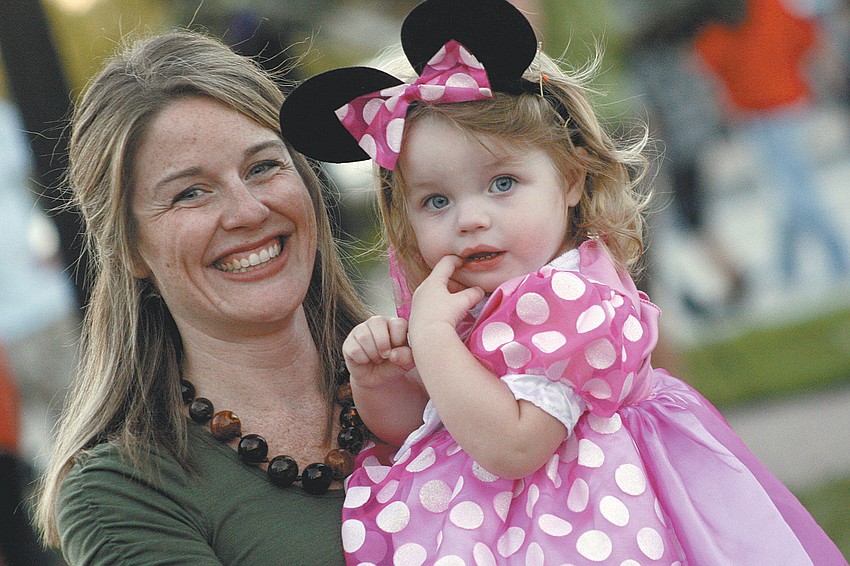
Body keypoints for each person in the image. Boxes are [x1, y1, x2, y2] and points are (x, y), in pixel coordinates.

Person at [279, 0, 847, 563]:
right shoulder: (472, 300)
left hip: (576, 526)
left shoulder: (567, 299)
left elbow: (513, 446)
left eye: (502, 183)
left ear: (571, 180)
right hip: (498, 519)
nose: (469, 217)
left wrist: (432, 341)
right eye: (435, 201)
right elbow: (433, 423)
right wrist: (381, 381)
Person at [33, 29, 371, 565]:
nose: (249, 212)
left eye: (263, 167)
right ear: (131, 249)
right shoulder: (123, 493)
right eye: (190, 193)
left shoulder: (442, 375)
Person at [694, 0, 849, 286]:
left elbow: (709, 58)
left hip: (771, 107)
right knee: (787, 189)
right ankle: (789, 267)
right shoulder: (750, 12)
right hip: (766, 108)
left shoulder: (752, 10)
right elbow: (806, 37)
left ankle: (835, 256)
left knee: (795, 190)